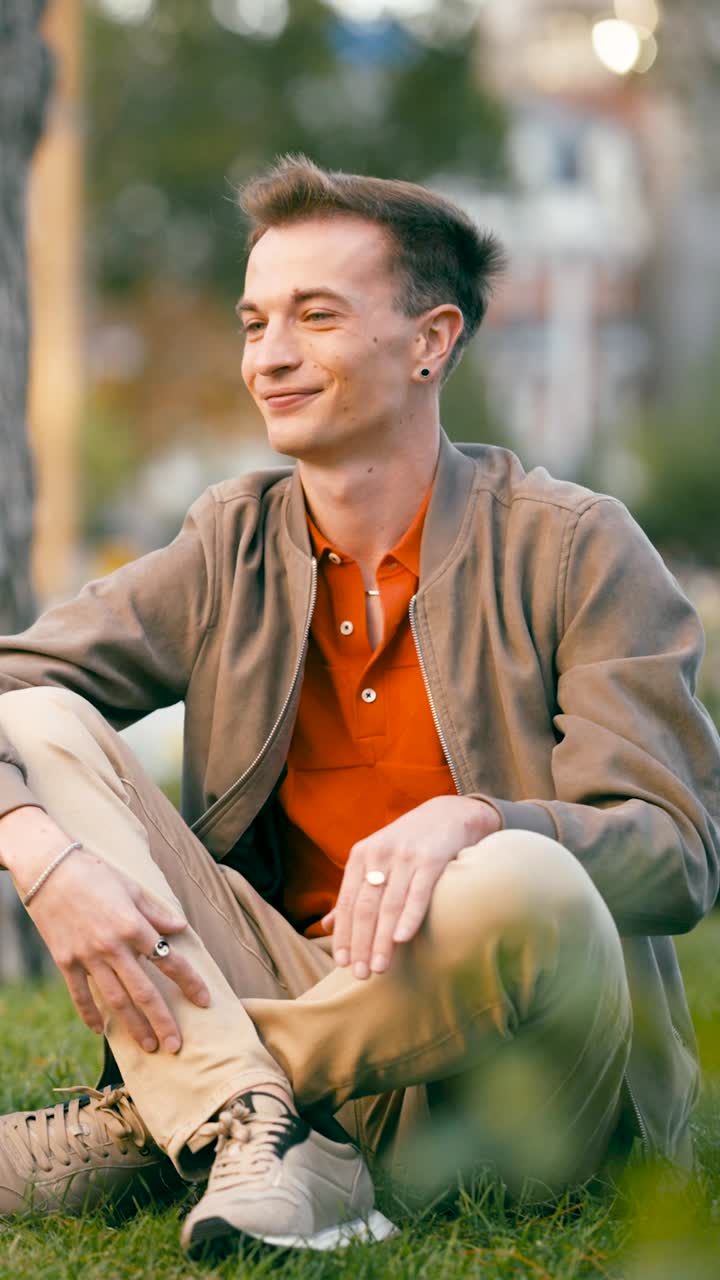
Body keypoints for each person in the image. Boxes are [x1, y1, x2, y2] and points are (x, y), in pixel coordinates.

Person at [0, 155, 718, 1260]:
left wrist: (488, 819)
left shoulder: (576, 545)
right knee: (43, 725)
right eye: (254, 322)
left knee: (519, 874)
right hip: (312, 993)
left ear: (432, 340)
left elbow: (677, 854)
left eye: (316, 316)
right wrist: (39, 855)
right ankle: (272, 1129)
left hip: (524, 1070)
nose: (270, 355)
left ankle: (171, 1113)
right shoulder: (230, 542)